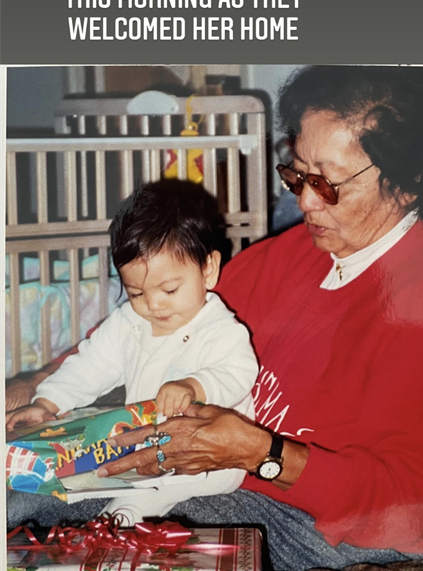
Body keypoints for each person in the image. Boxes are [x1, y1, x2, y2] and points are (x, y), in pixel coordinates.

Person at [7, 68, 423, 571]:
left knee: (46, 520)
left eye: (328, 183)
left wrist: (258, 452)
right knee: (23, 486)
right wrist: (36, 389)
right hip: (233, 480)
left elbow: (411, 504)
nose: (304, 201)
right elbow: (156, 318)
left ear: (408, 181)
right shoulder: (300, 252)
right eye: (298, 174)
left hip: (340, 528)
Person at [6, 180, 258, 526]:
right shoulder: (129, 322)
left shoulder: (220, 329)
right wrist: (47, 403)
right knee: (66, 481)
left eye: (169, 290)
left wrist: (195, 386)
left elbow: (239, 372)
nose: (153, 304)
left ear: (208, 270)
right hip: (143, 449)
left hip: (208, 462)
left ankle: (118, 525)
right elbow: (89, 366)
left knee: (135, 502)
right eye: (137, 292)